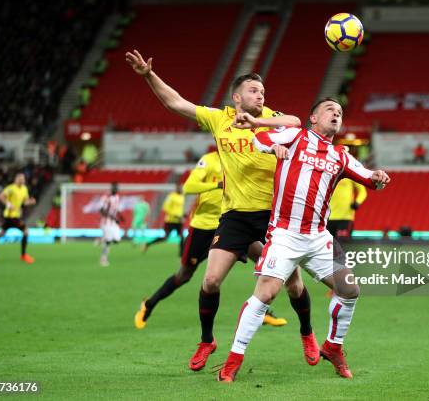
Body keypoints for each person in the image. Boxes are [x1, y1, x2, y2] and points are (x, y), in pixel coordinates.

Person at [126, 50, 311, 371]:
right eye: (254, 91)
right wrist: (147, 75)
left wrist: (259, 120)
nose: (260, 95)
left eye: (263, 91)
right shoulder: (219, 119)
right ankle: (207, 340)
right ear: (236, 96)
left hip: (273, 218)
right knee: (210, 280)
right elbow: (176, 103)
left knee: (293, 284)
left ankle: (307, 333)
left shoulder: (272, 119)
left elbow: (295, 121)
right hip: (235, 216)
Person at [217, 98, 391, 382]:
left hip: (318, 237)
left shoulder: (340, 156)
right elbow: (260, 139)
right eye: (329, 110)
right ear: (313, 117)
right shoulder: (295, 135)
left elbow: (369, 178)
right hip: (285, 234)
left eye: (340, 112)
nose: (336, 114)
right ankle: (234, 358)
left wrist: (379, 176)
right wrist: (271, 146)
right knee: (266, 293)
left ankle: (333, 346)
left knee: (349, 289)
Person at [134, 150, 285, 328]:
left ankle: (261, 311)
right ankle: (148, 305)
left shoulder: (242, 158)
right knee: (184, 275)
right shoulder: (208, 160)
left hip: (232, 225)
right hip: (204, 227)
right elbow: (188, 187)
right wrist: (218, 184)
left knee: (266, 261)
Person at [0, 173, 36, 263]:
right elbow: (0, 196)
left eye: (23, 179)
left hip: (15, 215)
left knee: (1, 233)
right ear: (16, 179)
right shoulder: (11, 188)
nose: (22, 180)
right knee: (26, 231)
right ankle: (23, 255)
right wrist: (8, 203)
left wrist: (30, 202)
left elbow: (25, 202)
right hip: (10, 216)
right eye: (20, 179)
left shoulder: (24, 189)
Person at [143, 183, 184, 253]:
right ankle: (148, 243)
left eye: (181, 188)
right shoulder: (171, 196)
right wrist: (174, 215)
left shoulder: (182, 197)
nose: (180, 189)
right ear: (176, 188)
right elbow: (165, 207)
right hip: (170, 221)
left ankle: (181, 254)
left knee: (182, 238)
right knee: (165, 237)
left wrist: (182, 215)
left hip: (178, 221)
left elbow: (180, 209)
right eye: (179, 188)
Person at [99, 182, 122, 267]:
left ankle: (102, 240)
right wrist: (112, 217)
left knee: (117, 240)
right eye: (114, 187)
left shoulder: (117, 197)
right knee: (108, 241)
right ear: (111, 188)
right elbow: (101, 210)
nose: (115, 189)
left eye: (116, 187)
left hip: (114, 223)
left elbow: (116, 209)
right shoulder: (106, 198)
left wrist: (120, 217)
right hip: (106, 223)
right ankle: (103, 258)